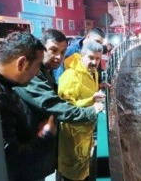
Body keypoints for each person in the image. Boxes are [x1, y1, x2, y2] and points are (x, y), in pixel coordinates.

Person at [11, 29, 104, 179]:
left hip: (42, 146)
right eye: (53, 50)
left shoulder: (45, 72)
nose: (58, 57)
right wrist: (92, 111)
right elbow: (56, 105)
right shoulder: (33, 75)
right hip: (32, 149)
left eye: (62, 52)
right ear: (41, 50)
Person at [0, 31, 57, 181]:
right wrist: (45, 135)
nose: (37, 73)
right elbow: (12, 158)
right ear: (21, 62)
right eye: (37, 66)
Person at [57, 41, 105, 181]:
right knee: (71, 173)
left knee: (81, 169)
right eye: (90, 57)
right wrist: (91, 100)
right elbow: (65, 108)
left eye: (97, 58)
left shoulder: (92, 72)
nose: (94, 62)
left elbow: (88, 91)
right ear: (82, 55)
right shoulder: (71, 76)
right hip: (72, 135)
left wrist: (100, 86)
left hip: (85, 131)